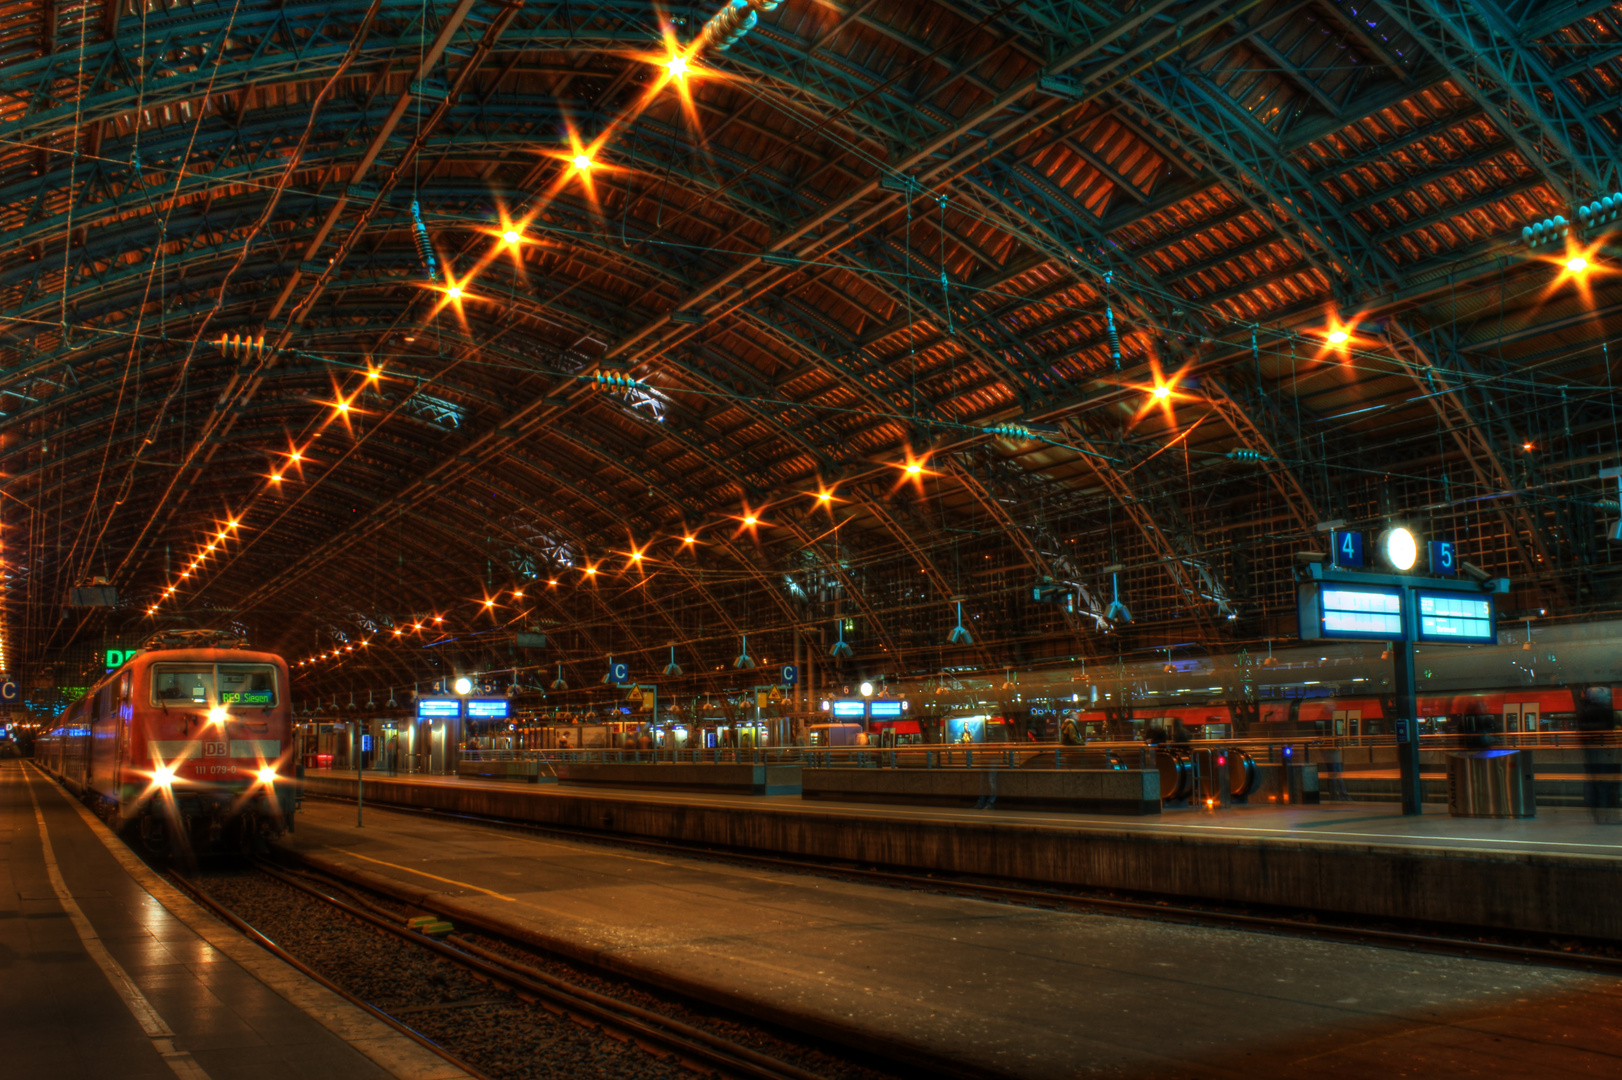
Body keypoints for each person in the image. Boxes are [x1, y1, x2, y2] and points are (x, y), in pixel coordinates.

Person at [1576, 686, 1619, 823]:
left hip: (1590, 754)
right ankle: (1608, 815)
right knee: (1608, 784)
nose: (1610, 698)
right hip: (1605, 754)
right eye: (1607, 696)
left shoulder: (1584, 714)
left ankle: (1598, 815)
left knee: (1595, 783)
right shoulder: (1608, 713)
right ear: (1600, 698)